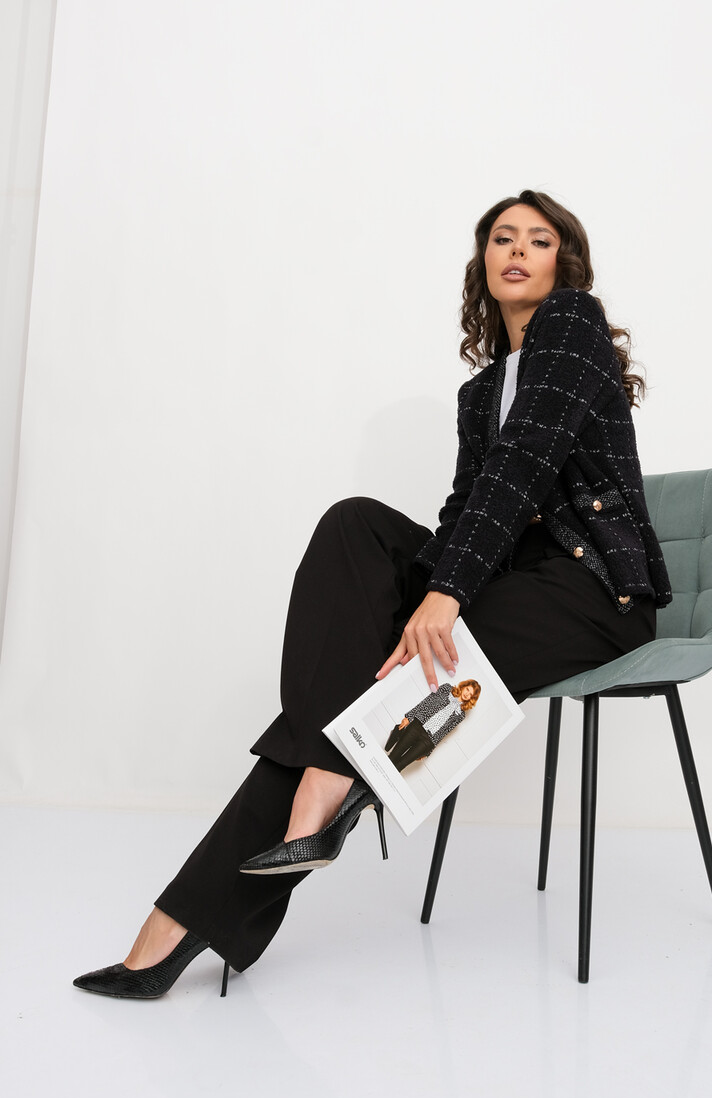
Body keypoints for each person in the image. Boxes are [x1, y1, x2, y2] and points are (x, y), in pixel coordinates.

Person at [73, 189, 672, 999]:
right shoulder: (480, 392)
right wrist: (436, 582)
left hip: (591, 594)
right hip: (512, 581)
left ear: (565, 265)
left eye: (539, 240)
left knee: (382, 691)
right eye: (502, 237)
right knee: (355, 525)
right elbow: (466, 508)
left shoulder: (573, 324)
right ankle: (321, 778)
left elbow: (525, 460)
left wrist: (445, 593)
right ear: (483, 262)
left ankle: (178, 923)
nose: (518, 250)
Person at [384, 680, 480, 772]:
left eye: (470, 695)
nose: (467, 694)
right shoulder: (447, 688)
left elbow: (445, 732)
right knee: (393, 756)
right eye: (467, 689)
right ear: (463, 686)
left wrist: (428, 752)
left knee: (401, 765)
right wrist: (409, 717)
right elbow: (427, 701)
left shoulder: (461, 715)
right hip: (417, 726)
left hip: (428, 741)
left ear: (471, 699)